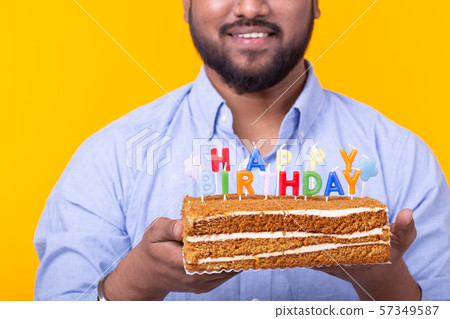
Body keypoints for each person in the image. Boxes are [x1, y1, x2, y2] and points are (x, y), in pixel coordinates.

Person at [34, 0, 450, 301]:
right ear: (186, 4)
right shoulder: (110, 157)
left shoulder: (401, 157)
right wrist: (137, 282)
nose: (250, 6)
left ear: (316, 2)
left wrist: (386, 283)